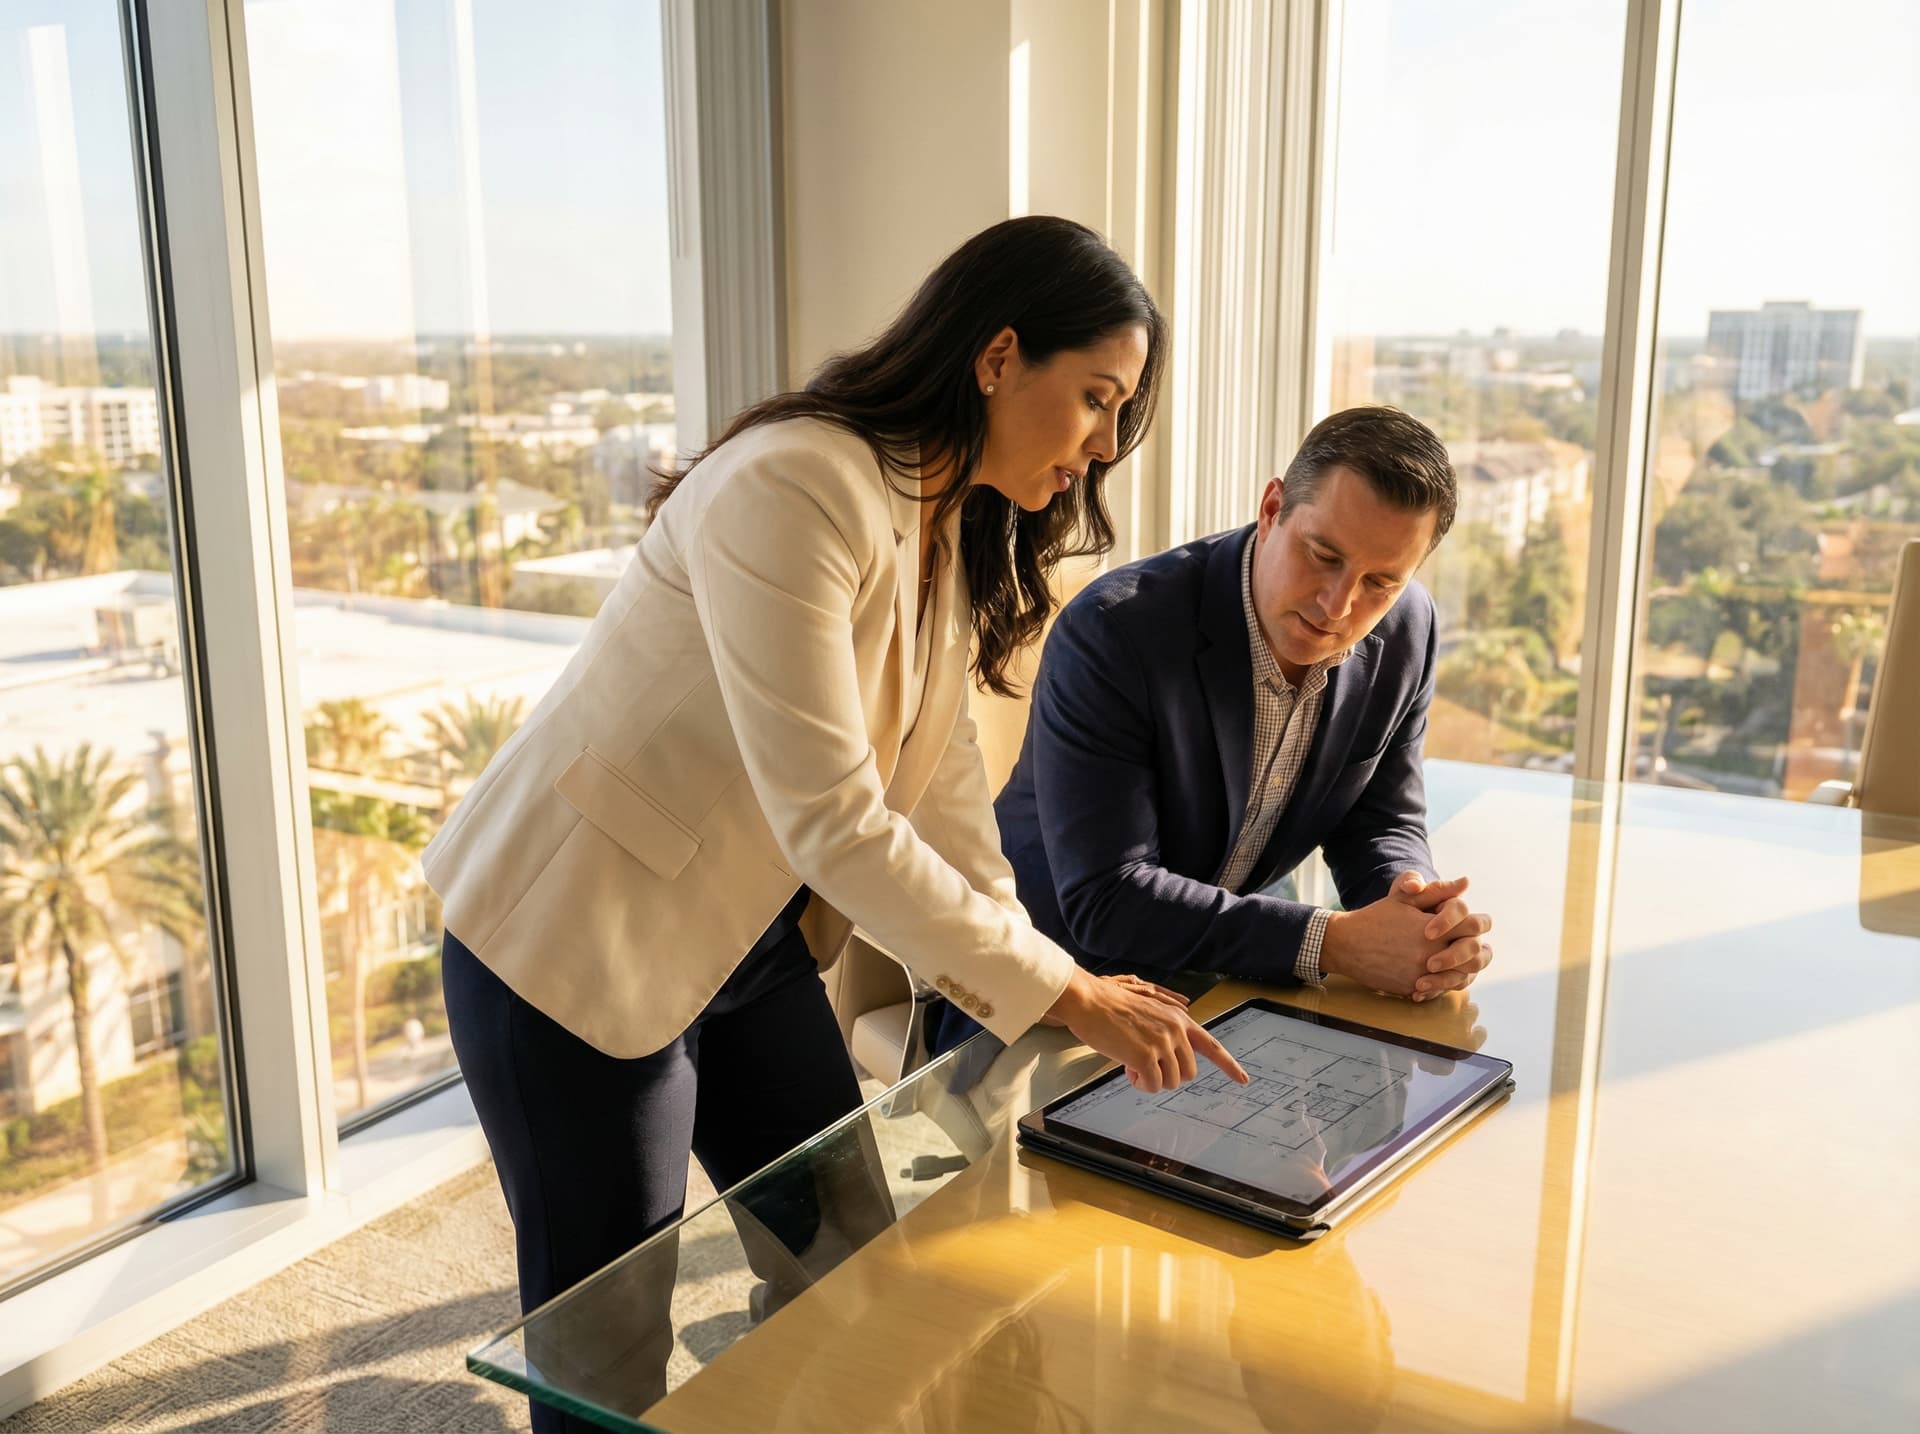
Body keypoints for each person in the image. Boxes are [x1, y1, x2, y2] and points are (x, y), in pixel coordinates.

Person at [419, 216, 1247, 1431]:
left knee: (854, 1251)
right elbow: (838, 822)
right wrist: (1068, 997)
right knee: (608, 1357)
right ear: (998, 355)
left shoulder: (949, 525)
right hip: (569, 948)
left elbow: (947, 786)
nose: (1104, 445)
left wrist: (1044, 974)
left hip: (745, 948)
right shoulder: (797, 483)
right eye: (1095, 399)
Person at [936, 405, 1492, 1054]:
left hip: (1225, 990)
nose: (1338, 605)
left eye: (1380, 582)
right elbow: (1108, 897)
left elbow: (1378, 818)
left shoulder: (1408, 630)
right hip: (1049, 1001)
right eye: (1324, 555)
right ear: (1272, 507)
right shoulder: (1117, 632)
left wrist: (1417, 917)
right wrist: (1334, 943)